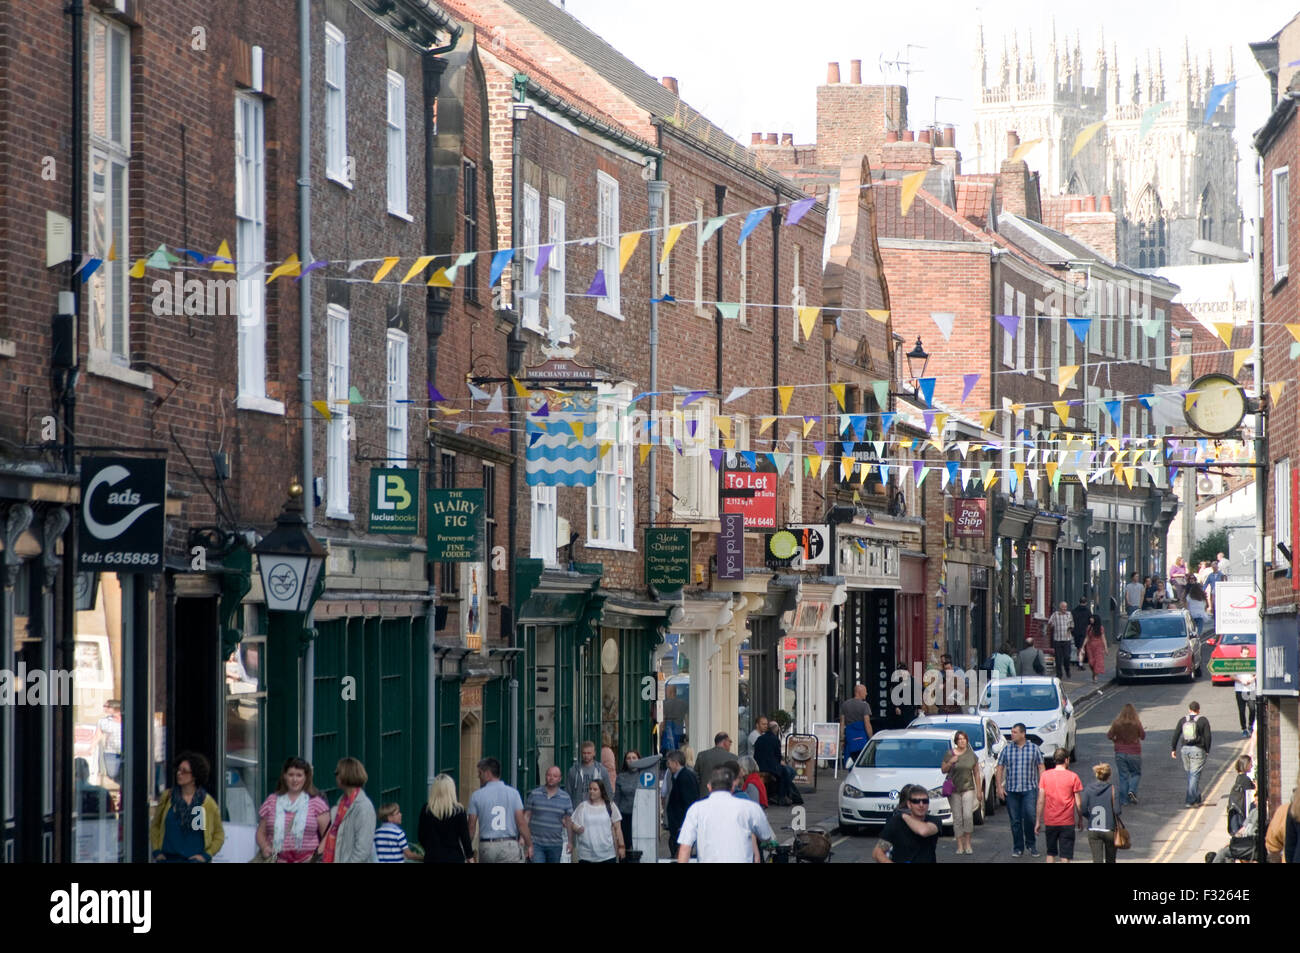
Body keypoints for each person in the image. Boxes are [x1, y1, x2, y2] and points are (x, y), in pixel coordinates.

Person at [675, 765, 774, 863]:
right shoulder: (750, 807)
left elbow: (685, 848)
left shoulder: (696, 809)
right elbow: (765, 835)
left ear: (709, 787)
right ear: (732, 786)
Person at [149, 752, 224, 862]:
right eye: (178, 770)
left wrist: (206, 855)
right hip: (169, 859)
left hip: (194, 860)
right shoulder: (168, 797)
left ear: (195, 775)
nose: (179, 773)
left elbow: (219, 834)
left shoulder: (207, 802)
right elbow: (155, 826)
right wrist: (157, 851)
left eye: (184, 771)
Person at [255, 756, 330, 862]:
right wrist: (264, 847)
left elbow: (328, 835)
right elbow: (261, 832)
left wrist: (316, 857)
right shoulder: (271, 801)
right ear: (284, 776)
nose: (294, 779)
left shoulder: (317, 803)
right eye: (291, 775)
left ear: (305, 777)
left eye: (299, 775)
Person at [467, 757, 530, 863]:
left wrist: (467, 850)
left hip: (487, 845)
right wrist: (529, 844)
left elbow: (471, 826)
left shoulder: (476, 796)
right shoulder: (513, 793)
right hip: (509, 844)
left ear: (487, 774)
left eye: (480, 773)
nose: (479, 777)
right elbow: (521, 822)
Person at [996, 723, 1045, 857]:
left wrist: (1042, 785)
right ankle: (1018, 847)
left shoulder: (1034, 749)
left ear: (1023, 734)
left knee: (1030, 817)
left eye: (1015, 732)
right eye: (1012, 732)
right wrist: (999, 786)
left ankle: (1031, 844)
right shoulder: (1007, 749)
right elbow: (999, 767)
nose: (1012, 734)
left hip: (1029, 789)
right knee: (1015, 821)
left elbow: (1041, 767)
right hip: (1012, 791)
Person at [323, 757, 376, 863]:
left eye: (337, 772)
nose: (335, 775)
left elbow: (362, 850)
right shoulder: (340, 806)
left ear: (345, 775)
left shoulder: (363, 807)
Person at [872, 783, 941, 863]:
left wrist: (904, 816)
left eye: (925, 801)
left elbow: (923, 831)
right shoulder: (896, 822)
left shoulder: (934, 820)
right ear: (909, 804)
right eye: (916, 801)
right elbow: (877, 853)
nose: (921, 805)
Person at [1035, 748, 1083, 863]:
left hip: (1050, 821)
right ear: (1066, 760)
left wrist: (1037, 821)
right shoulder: (1073, 776)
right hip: (1067, 822)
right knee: (1065, 855)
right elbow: (1078, 802)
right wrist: (1080, 818)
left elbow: (1041, 800)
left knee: (1050, 853)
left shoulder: (1045, 776)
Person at [941, 730, 981, 856]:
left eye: (964, 739)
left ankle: (968, 843)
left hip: (968, 788)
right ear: (956, 742)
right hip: (954, 790)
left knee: (968, 816)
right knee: (957, 818)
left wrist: (979, 790)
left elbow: (976, 773)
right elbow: (943, 770)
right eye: (959, 739)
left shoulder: (971, 755)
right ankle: (960, 844)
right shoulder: (949, 753)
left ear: (967, 740)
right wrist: (950, 762)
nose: (962, 741)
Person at [418, 774, 474, 863]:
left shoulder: (427, 810)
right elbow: (465, 837)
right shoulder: (459, 811)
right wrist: (470, 856)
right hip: (454, 857)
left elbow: (421, 835)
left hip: (433, 857)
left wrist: (430, 848)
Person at [523, 765, 573, 864]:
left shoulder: (565, 797)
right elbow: (526, 816)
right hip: (536, 842)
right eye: (549, 775)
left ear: (559, 779)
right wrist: (523, 837)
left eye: (554, 776)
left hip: (555, 844)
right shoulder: (534, 794)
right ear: (545, 776)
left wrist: (570, 842)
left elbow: (568, 821)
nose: (551, 778)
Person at [613, 750, 659, 851]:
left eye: (634, 758)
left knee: (641, 846)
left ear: (639, 760)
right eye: (628, 758)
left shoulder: (644, 775)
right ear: (625, 761)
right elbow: (616, 798)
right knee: (626, 844)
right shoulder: (621, 777)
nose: (631, 760)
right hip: (625, 816)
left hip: (641, 815)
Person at [570, 779, 625, 863]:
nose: (591, 791)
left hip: (607, 854)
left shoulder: (610, 806)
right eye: (590, 789)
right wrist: (577, 829)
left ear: (601, 791)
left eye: (595, 789)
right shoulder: (583, 806)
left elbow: (618, 828)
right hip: (586, 855)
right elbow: (572, 823)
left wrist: (621, 846)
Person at [1170, 701, 1212, 808]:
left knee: (1191, 775)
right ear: (1198, 710)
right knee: (1194, 775)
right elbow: (1208, 736)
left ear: (1189, 709)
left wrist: (1173, 748)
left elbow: (1176, 734)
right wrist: (1207, 749)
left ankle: (1197, 798)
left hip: (1185, 750)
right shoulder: (1203, 720)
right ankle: (1190, 800)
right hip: (1198, 749)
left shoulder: (1183, 720)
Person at [1106, 703, 1146, 804]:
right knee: (1136, 773)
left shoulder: (1117, 723)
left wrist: (1115, 740)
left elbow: (1109, 735)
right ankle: (1132, 790)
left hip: (1120, 752)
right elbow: (1143, 736)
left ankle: (1124, 800)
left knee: (1123, 776)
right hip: (1134, 752)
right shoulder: (1136, 723)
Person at [754, 722, 802, 806]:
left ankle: (777, 794)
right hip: (769, 767)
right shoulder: (775, 740)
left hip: (759, 766)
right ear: (776, 729)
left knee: (785, 771)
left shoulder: (759, 738)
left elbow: (756, 754)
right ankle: (781, 796)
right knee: (786, 772)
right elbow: (778, 757)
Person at [1081, 763, 1119, 864]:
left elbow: (1083, 809)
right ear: (1109, 776)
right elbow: (1117, 811)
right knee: (1111, 859)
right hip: (1109, 828)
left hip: (1094, 829)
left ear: (1097, 775)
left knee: (1097, 860)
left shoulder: (1088, 789)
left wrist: (1091, 817)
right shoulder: (1113, 789)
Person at [663, 750, 699, 856]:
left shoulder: (684, 777)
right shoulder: (680, 776)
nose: (667, 766)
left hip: (681, 825)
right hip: (679, 824)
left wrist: (683, 824)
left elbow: (689, 802)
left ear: (676, 762)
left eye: (669, 763)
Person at [693, 732, 739, 799]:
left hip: (705, 795)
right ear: (725, 742)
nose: (730, 744)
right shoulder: (733, 758)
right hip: (726, 796)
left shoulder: (702, 755)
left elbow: (695, 777)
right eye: (730, 742)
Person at [565, 740, 612, 807]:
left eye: (589, 753)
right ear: (581, 753)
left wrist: (607, 808)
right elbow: (568, 792)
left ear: (594, 753)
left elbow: (608, 791)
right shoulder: (573, 770)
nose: (586, 755)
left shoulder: (601, 770)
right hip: (578, 809)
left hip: (596, 809)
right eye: (584, 753)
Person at [840, 684, 875, 764]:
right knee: (862, 760)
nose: (866, 693)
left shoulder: (845, 704)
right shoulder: (865, 705)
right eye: (865, 692)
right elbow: (867, 724)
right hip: (862, 738)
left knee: (850, 761)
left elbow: (842, 723)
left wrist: (841, 739)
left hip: (850, 737)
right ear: (859, 692)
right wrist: (871, 738)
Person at [1226, 756, 1255, 836]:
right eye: (1250, 764)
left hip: (1237, 811)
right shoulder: (1245, 780)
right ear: (1245, 765)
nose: (1252, 766)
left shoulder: (1239, 778)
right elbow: (1250, 795)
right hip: (1242, 813)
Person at [97, 699, 123, 784]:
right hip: (111, 751)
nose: (104, 708)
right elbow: (98, 735)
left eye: (106, 706)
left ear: (114, 707)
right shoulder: (104, 721)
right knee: (112, 773)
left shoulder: (128, 718)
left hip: (126, 751)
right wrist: (90, 748)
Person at [1047, 601, 1075, 678]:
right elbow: (1049, 623)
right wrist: (1049, 628)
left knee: (1067, 657)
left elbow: (1072, 625)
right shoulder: (1055, 615)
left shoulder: (1069, 614)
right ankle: (1059, 674)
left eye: (1065, 607)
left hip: (1067, 639)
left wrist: (1070, 628)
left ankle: (1067, 670)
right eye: (1063, 607)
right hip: (1057, 640)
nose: (1064, 609)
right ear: (1060, 607)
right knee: (1058, 659)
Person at [1083, 613, 1107, 682]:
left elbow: (1103, 638)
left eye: (1092, 618)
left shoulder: (1100, 628)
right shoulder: (1089, 627)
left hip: (1098, 646)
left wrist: (1105, 648)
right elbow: (1087, 637)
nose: (1090, 619)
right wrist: (1083, 646)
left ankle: (1095, 676)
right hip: (1090, 647)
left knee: (1097, 662)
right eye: (1090, 618)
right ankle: (1093, 673)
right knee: (1091, 662)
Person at [1234, 672, 1257, 737]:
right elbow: (1231, 676)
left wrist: (1252, 679)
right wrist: (1241, 681)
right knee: (1241, 711)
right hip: (1239, 690)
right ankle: (1244, 729)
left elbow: (1258, 673)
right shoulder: (1236, 663)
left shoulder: (1252, 662)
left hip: (1251, 690)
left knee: (1252, 709)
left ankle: (1250, 725)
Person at [1071, 597, 1091, 666]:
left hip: (1075, 631)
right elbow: (1090, 622)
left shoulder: (1074, 611)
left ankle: (1078, 660)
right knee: (1082, 647)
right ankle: (1080, 662)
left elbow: (1071, 621)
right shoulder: (1088, 611)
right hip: (1084, 631)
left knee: (1078, 647)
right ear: (1086, 602)